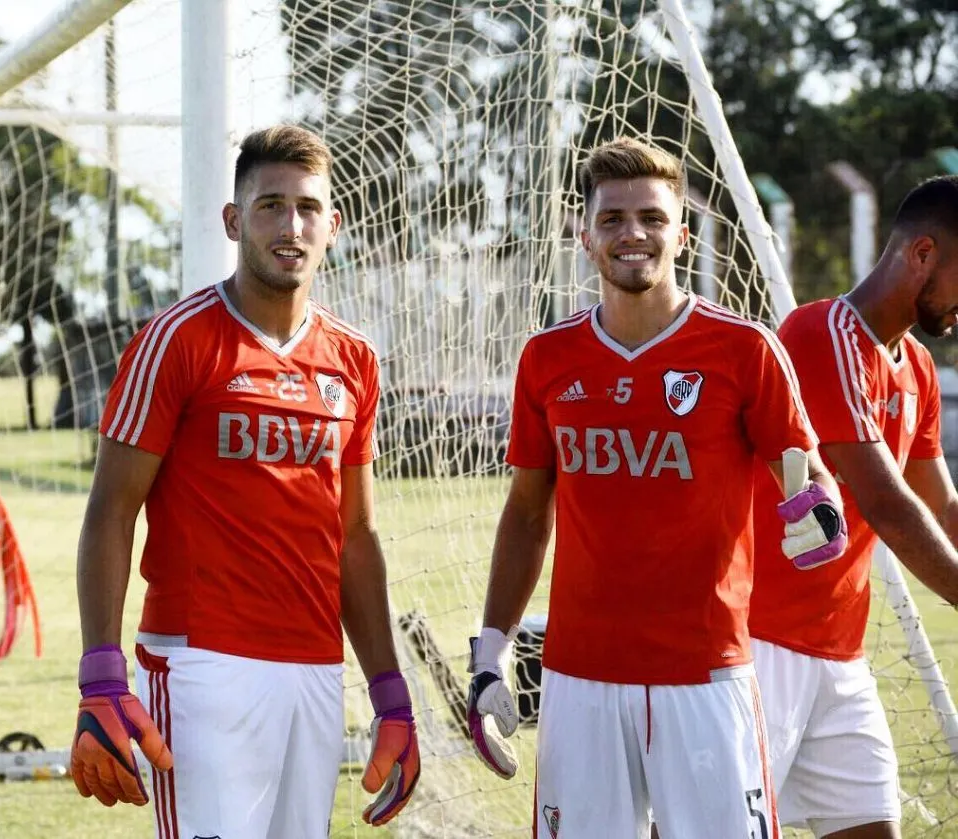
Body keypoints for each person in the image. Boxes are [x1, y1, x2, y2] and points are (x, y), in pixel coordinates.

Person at [465, 136, 847, 838]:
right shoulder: (547, 359)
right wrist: (491, 651)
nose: (631, 233)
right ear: (586, 236)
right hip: (578, 682)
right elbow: (526, 512)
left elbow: (802, 469)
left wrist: (817, 506)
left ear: (682, 231)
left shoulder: (744, 350)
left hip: (705, 676)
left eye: (650, 216)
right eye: (611, 219)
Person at [69, 125, 420, 838]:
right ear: (234, 220)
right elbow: (111, 509)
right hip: (202, 665)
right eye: (269, 206)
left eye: (308, 208)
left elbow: (355, 535)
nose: (290, 226)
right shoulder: (177, 340)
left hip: (316, 670)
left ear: (333, 226)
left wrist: (391, 694)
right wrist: (101, 674)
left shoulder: (354, 359)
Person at [749, 174, 958, 839]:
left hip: (838, 655)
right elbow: (887, 504)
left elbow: (941, 503)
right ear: (923, 254)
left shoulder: (917, 367)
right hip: (755, 648)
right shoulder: (823, 332)